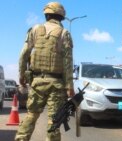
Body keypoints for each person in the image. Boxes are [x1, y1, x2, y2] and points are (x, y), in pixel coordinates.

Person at [15, 2, 75, 141]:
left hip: (37, 82)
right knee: (54, 122)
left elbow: (23, 54)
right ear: (62, 17)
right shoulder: (64, 33)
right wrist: (69, 86)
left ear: (46, 14)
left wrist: (22, 75)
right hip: (56, 85)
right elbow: (67, 62)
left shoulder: (35, 29)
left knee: (31, 115)